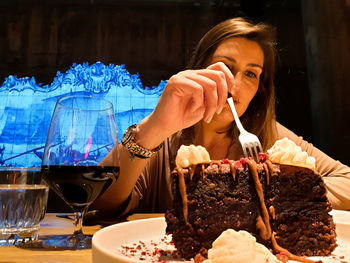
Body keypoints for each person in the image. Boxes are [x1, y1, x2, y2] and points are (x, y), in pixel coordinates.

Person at [94, 17, 350, 217]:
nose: (235, 85)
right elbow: (99, 204)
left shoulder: (268, 136)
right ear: (199, 69)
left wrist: (272, 190)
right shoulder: (163, 135)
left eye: (251, 74)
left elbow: (346, 182)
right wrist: (152, 129)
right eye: (226, 66)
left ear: (258, 90)